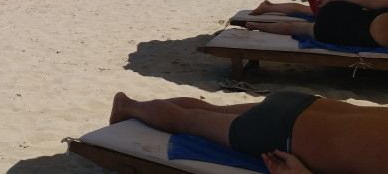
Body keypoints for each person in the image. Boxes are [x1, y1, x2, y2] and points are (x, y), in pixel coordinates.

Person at [109, 90, 388, 174]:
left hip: (304, 103)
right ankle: (128, 107)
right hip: (281, 132)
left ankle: (132, 106)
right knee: (188, 122)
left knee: (211, 111)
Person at [247, 0, 388, 48]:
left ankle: (267, 9)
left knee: (304, 10)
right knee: (295, 28)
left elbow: (366, 1)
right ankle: (256, 25)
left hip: (339, 11)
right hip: (338, 33)